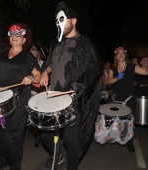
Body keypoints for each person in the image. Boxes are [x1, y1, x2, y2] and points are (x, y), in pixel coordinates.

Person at [39, 1, 102, 170]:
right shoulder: (55, 43)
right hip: (52, 95)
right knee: (45, 133)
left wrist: (79, 88)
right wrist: (45, 73)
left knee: (70, 139)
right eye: (57, 20)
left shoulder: (84, 43)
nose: (59, 23)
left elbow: (93, 72)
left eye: (63, 19)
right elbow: (50, 63)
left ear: (74, 20)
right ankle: (56, 156)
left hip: (74, 98)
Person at [0, 23, 41, 169]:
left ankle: (15, 165)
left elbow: (38, 76)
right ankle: (3, 159)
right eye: (12, 34)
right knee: (0, 132)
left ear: (24, 40)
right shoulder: (2, 53)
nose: (14, 37)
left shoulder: (28, 56)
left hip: (18, 102)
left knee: (13, 135)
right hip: (0, 100)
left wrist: (30, 77)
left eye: (18, 35)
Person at [107, 46, 148, 152]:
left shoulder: (132, 66)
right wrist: (116, 78)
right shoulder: (113, 68)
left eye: (122, 53)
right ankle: (118, 136)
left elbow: (146, 72)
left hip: (129, 98)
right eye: (118, 54)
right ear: (116, 56)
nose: (121, 55)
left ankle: (130, 143)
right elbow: (107, 82)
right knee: (117, 120)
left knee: (129, 121)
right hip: (117, 99)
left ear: (125, 55)